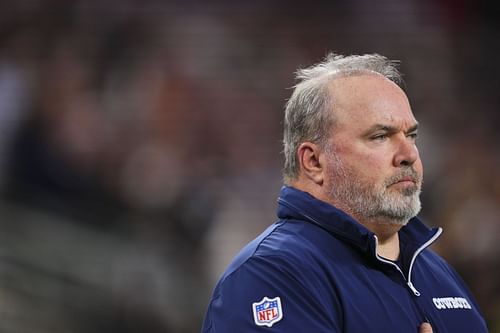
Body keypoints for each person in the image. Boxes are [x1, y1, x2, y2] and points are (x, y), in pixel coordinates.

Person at [201, 53, 489, 333]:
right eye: (379, 137)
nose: (409, 154)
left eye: (411, 135)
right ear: (313, 161)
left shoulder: (438, 272)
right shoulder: (270, 275)